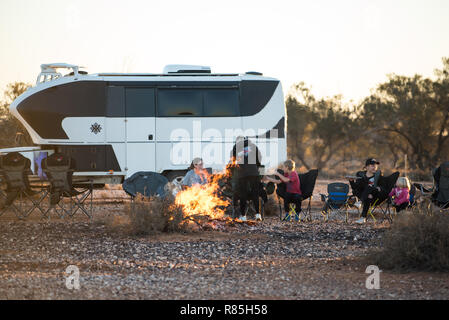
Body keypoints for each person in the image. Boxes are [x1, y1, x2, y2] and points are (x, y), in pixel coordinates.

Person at [230, 136, 263, 221]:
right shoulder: (253, 145)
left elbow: (232, 161)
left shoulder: (235, 147)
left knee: (242, 194)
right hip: (254, 172)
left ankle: (243, 216)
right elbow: (259, 158)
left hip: (242, 173)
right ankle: (258, 215)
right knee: (255, 193)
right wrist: (256, 166)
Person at [349, 158, 388, 224]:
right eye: (372, 165)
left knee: (370, 188)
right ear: (367, 167)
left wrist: (380, 187)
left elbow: (383, 187)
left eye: (376, 166)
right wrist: (351, 181)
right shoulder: (361, 175)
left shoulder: (378, 176)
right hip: (366, 196)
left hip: (375, 197)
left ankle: (360, 202)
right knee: (367, 196)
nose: (374, 167)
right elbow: (355, 188)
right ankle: (362, 218)